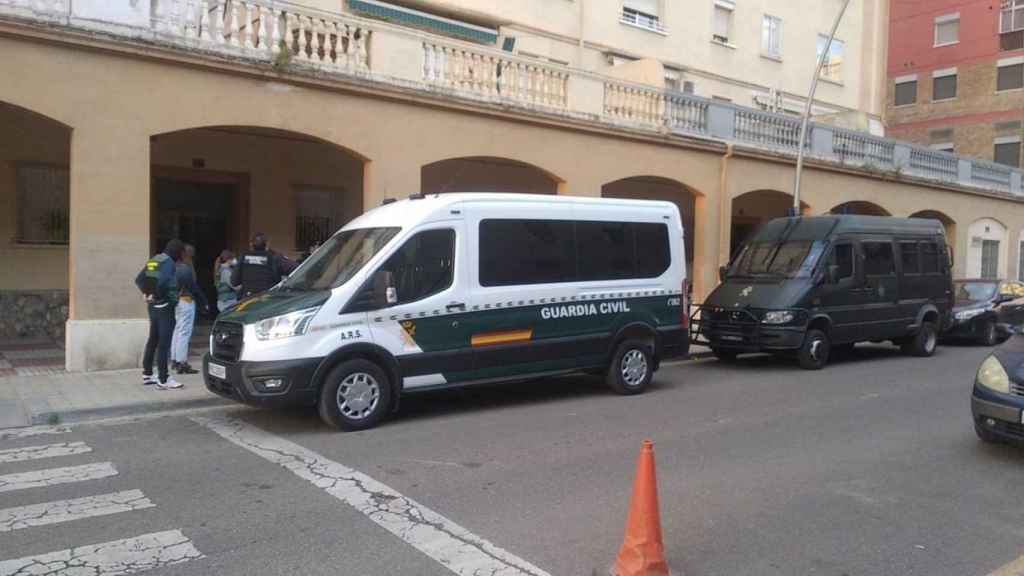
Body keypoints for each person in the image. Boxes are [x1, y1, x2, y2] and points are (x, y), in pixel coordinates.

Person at [135, 239, 184, 390]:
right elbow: (163, 282)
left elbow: (139, 279)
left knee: (153, 340)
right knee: (164, 344)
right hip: (164, 307)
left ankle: (148, 374)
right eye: (181, 253)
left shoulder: (155, 259)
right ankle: (164, 379)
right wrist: (156, 294)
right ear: (176, 252)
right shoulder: (168, 263)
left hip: (153, 307)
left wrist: (147, 293)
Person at [170, 244, 208, 375]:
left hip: (176, 301)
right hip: (186, 301)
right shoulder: (185, 268)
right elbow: (193, 286)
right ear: (186, 254)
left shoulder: (173, 266)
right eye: (192, 253)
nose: (193, 255)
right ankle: (182, 363)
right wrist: (203, 300)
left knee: (177, 330)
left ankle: (175, 360)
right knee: (184, 332)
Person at [232, 232, 298, 298]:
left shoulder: (243, 258)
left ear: (251, 244)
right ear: (267, 245)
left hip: (248, 300)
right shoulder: (275, 258)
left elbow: (234, 282)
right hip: (268, 300)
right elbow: (298, 269)